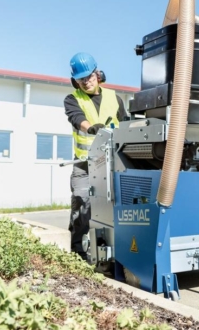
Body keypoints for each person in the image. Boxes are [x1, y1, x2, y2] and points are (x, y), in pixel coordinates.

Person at [64, 52, 127, 260]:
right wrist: (91, 128)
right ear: (75, 80)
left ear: (97, 74)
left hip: (110, 163)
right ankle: (78, 253)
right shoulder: (73, 99)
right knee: (82, 203)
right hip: (84, 164)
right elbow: (76, 118)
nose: (86, 82)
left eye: (89, 77)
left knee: (113, 206)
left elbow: (125, 125)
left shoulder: (114, 98)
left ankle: (114, 251)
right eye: (81, 79)